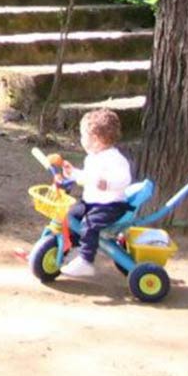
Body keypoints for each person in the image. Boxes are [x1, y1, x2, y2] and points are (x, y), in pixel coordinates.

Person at [59, 108, 133, 277]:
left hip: (111, 206)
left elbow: (124, 178)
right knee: (70, 216)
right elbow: (87, 177)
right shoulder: (92, 157)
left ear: (97, 139)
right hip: (91, 203)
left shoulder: (115, 158)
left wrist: (107, 183)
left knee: (89, 224)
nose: (81, 140)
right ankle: (64, 249)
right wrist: (73, 173)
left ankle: (86, 261)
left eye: (83, 136)